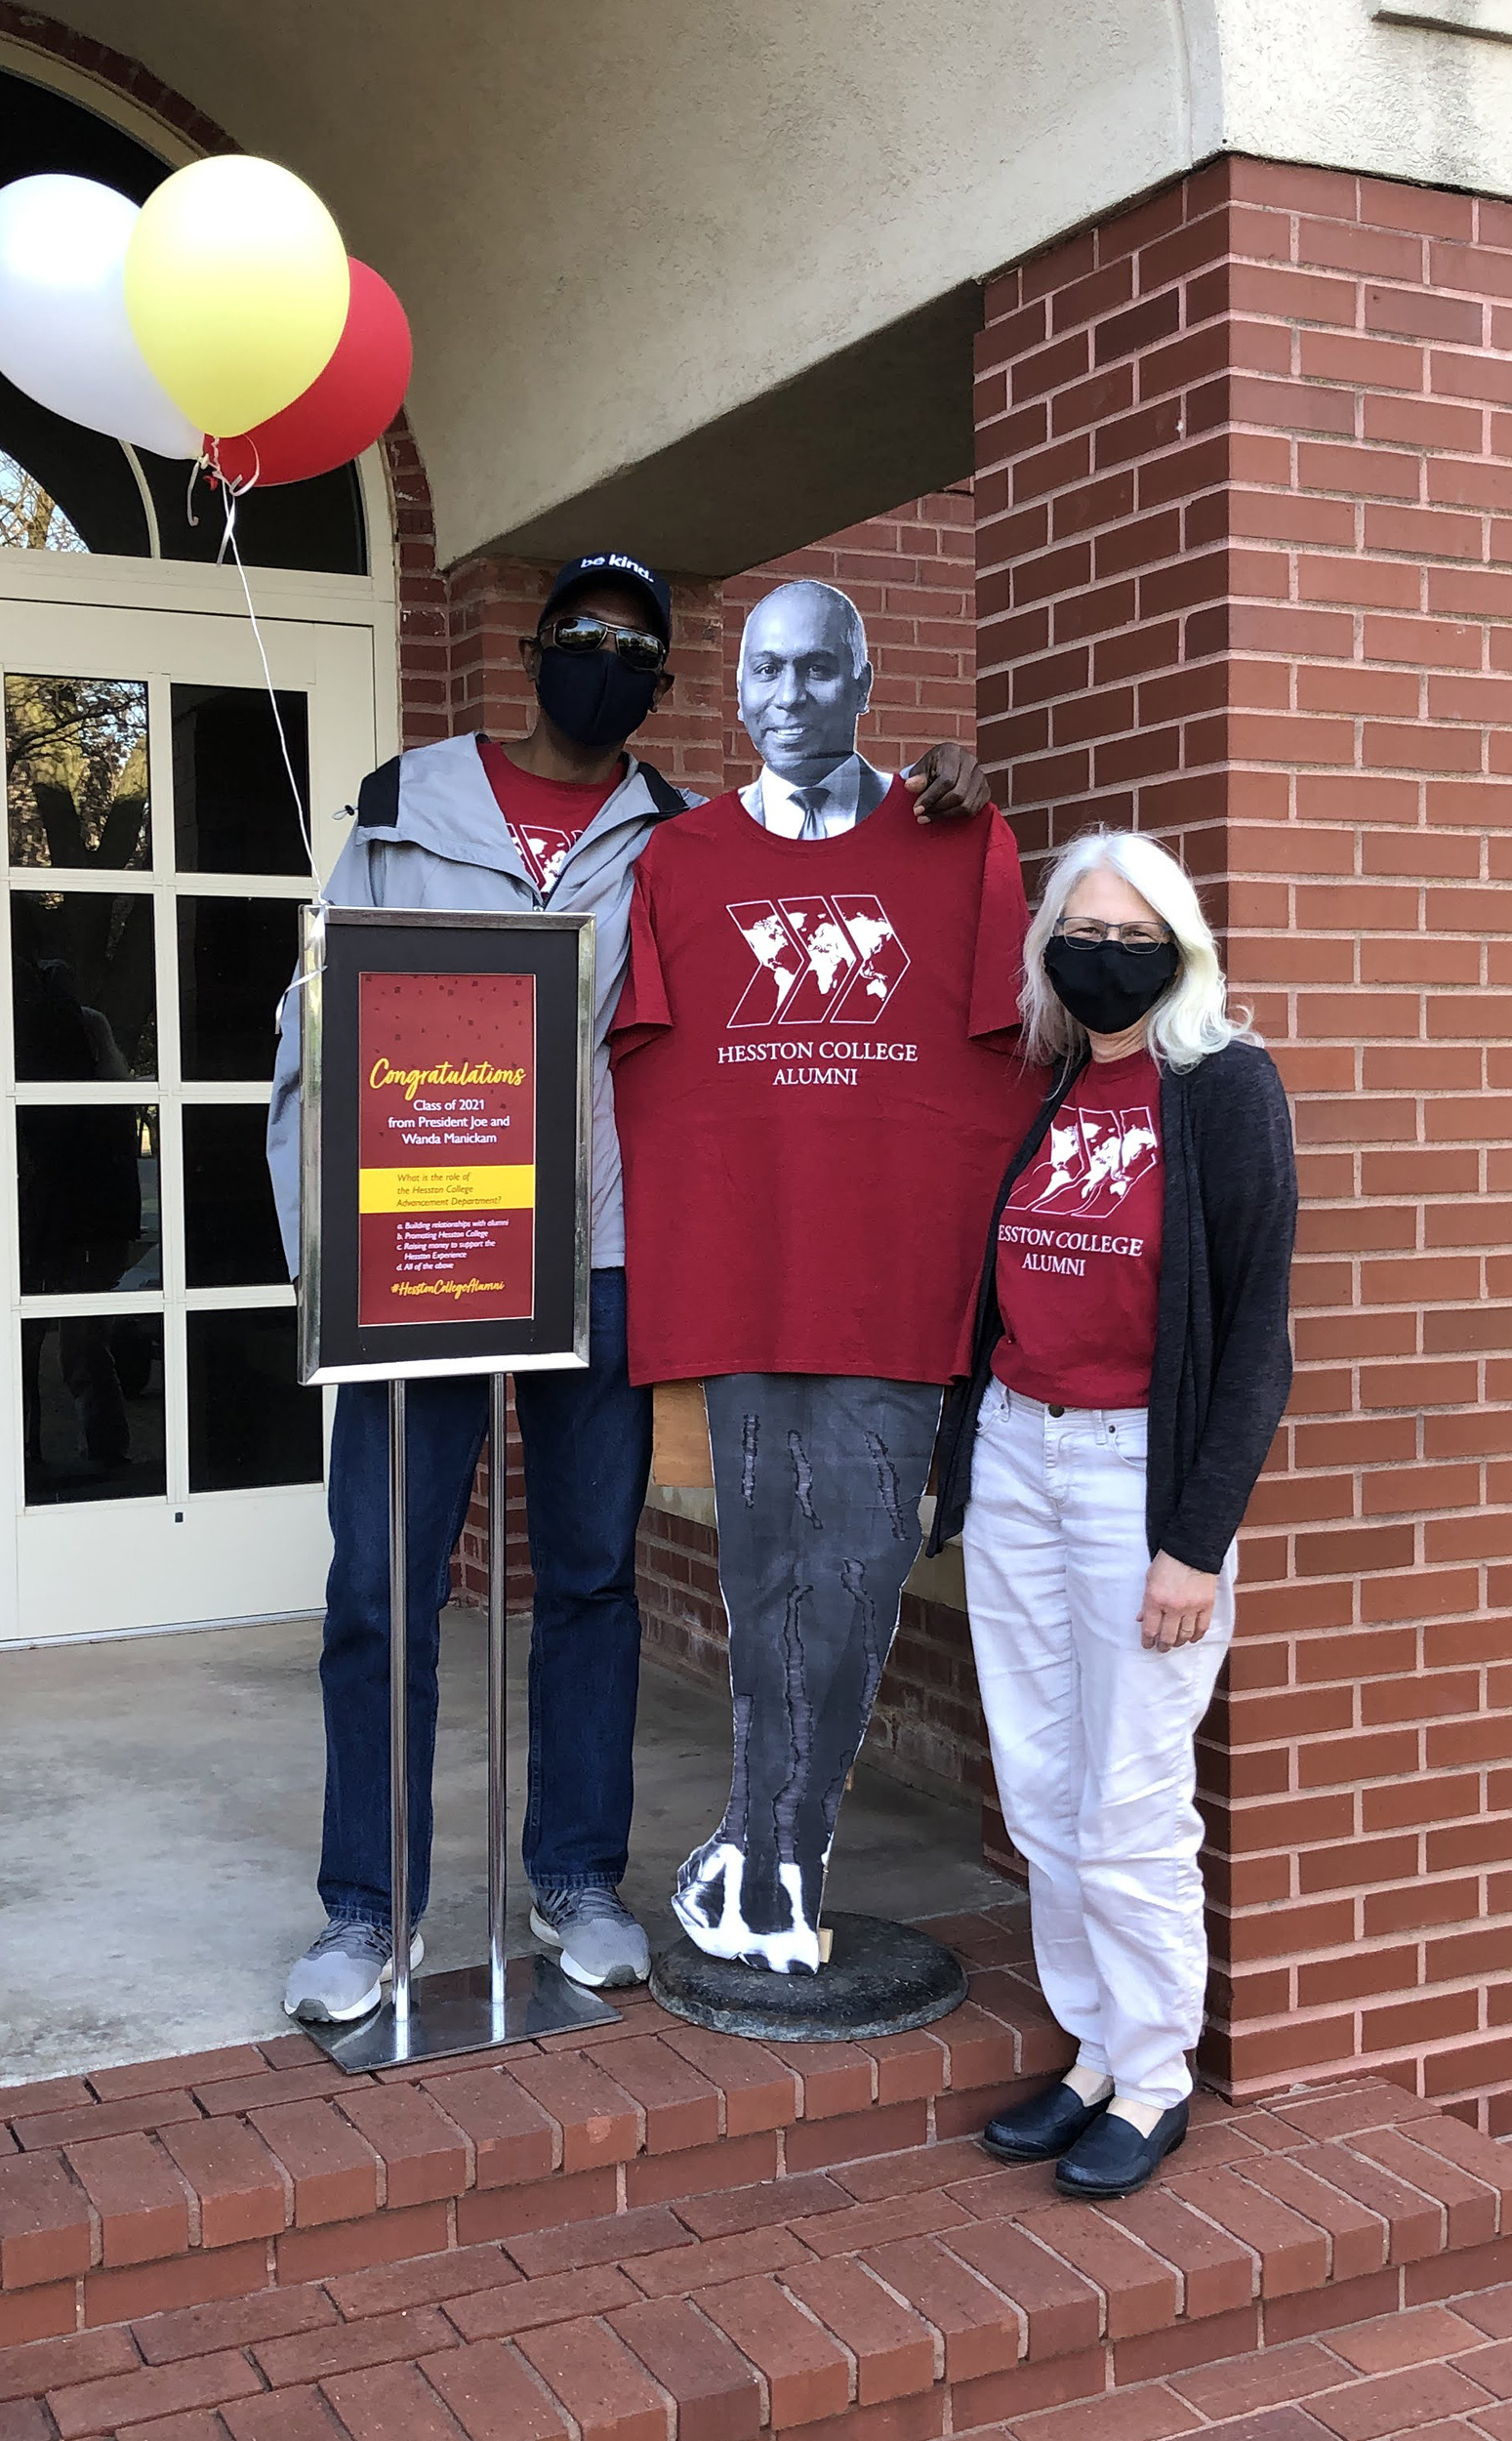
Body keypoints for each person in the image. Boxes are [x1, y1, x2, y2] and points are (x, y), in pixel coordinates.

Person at [267, 549, 993, 2021]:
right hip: (419, 1260)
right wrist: (332, 1260)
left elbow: (825, 892)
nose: (602, 656)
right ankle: (368, 1910)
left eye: (634, 645)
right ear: (533, 650)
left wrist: (924, 800)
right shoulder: (406, 811)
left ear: (664, 685)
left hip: (598, 1264)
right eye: (580, 632)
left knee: (592, 1585)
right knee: (378, 1587)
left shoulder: (676, 840)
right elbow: (316, 1045)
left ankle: (580, 1880)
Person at [610, 578, 1038, 1975]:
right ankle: (765, 1851)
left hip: (893, 1289)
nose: (785, 701)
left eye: (815, 673)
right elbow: (634, 1074)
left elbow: (1007, 1057)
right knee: (760, 1574)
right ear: (734, 692)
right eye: (762, 675)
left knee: (850, 1578)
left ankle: (776, 1848)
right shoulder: (676, 866)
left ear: (865, 682)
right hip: (746, 1280)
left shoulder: (961, 846)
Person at [929, 827, 1297, 2201]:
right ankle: (1091, 2047)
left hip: (1138, 1476)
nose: (1106, 955)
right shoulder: (1059, 1087)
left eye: (1135, 937)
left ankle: (1154, 2076)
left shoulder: (1224, 1087)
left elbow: (1257, 1332)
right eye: (1083, 932)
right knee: (1039, 1784)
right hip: (1023, 1455)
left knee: (1130, 1797)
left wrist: (1194, 1541)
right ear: (1048, 953)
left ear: (1181, 949)